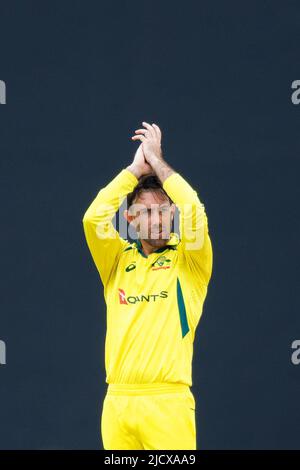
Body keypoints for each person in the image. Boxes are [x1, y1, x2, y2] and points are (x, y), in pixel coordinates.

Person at [82, 121, 213, 450]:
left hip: (168, 403)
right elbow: (93, 218)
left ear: (172, 213)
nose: (156, 219)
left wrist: (157, 161)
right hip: (118, 403)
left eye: (163, 210)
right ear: (130, 219)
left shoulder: (190, 260)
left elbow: (195, 211)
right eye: (146, 212)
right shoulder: (115, 259)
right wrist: (133, 170)